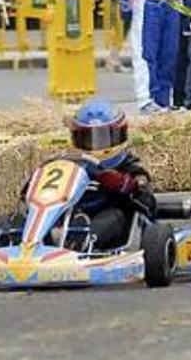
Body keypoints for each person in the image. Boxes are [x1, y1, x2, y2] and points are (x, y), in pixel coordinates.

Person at [61, 99, 156, 251]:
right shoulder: (69, 163)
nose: (96, 146)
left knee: (112, 217)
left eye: (103, 138)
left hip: (111, 220)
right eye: (88, 139)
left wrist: (127, 185)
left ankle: (82, 243)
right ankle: (20, 241)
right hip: (72, 214)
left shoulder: (129, 167)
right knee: (22, 218)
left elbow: (149, 205)